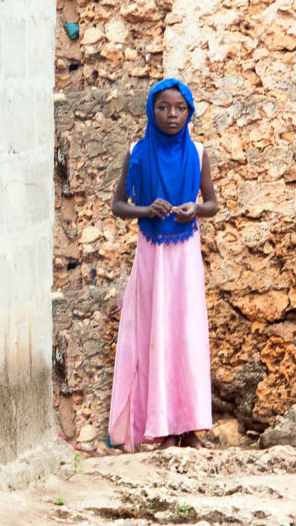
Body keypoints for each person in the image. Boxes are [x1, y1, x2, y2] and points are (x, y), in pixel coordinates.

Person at [108, 78, 218, 451]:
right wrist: (145, 209)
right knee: (157, 335)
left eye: (180, 108)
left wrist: (195, 209)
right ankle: (164, 429)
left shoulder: (199, 152)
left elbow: (212, 204)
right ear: (151, 111)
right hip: (152, 254)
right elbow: (118, 204)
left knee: (186, 336)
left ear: (189, 112)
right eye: (163, 107)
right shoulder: (137, 151)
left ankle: (190, 428)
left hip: (185, 255)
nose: (171, 115)